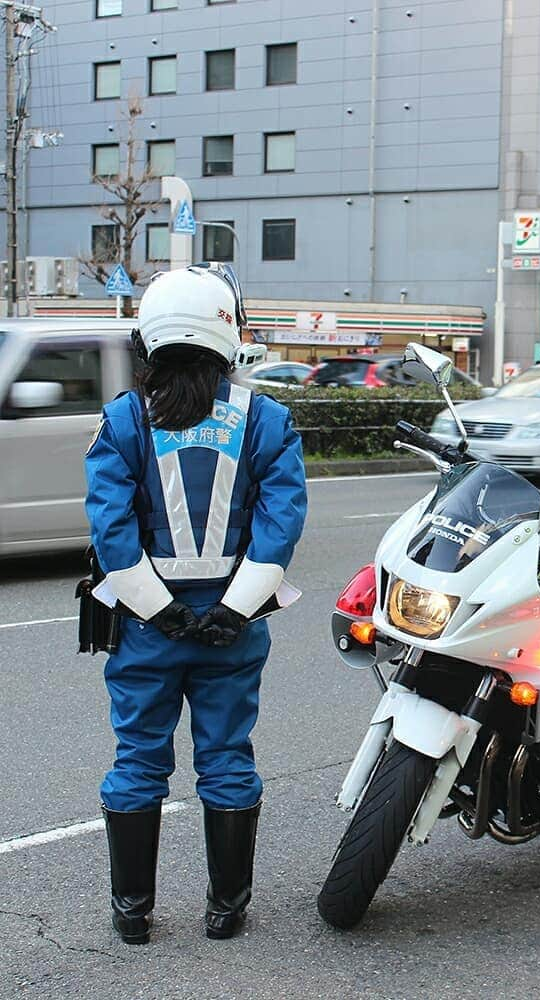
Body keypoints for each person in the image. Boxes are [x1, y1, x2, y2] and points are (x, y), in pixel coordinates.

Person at [84, 263, 307, 945]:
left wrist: (161, 612)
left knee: (138, 760)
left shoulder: (125, 420)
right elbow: (282, 522)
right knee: (228, 757)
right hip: (231, 631)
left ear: (149, 338)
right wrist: (234, 610)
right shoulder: (266, 419)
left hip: (147, 627)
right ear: (226, 335)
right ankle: (226, 909)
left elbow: (111, 532)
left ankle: (132, 913)